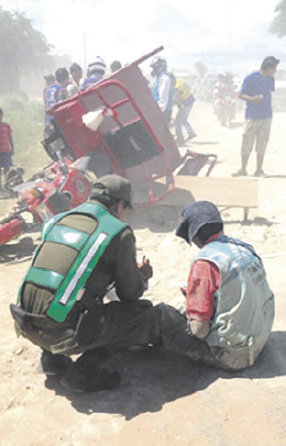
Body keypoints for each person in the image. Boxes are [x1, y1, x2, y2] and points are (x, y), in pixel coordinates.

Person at [10, 174, 160, 393]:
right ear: (119, 205)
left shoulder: (57, 220)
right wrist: (142, 276)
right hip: (58, 331)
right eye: (126, 209)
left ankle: (52, 361)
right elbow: (130, 294)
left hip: (25, 322)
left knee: (61, 291)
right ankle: (84, 374)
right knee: (142, 315)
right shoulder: (118, 232)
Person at [157, 200, 274, 371]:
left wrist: (192, 312)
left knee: (163, 313)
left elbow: (199, 331)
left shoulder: (205, 263)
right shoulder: (243, 247)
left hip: (232, 355)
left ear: (194, 234)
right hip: (259, 340)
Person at [233, 56, 280, 177]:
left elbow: (269, 93)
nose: (275, 71)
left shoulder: (271, 79)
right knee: (247, 142)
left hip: (266, 116)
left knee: (262, 143)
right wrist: (252, 99)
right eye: (273, 69)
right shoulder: (251, 78)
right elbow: (240, 95)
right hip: (252, 116)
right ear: (267, 68)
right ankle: (243, 169)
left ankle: (259, 170)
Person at [172, 75, 196, 144]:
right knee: (183, 119)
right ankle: (191, 132)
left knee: (177, 121)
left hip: (184, 104)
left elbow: (175, 100)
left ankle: (180, 138)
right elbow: (189, 88)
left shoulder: (176, 88)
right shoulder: (180, 81)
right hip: (190, 100)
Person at [150, 56, 173, 124]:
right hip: (161, 110)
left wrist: (158, 112)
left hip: (163, 111)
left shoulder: (164, 78)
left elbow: (163, 96)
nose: (153, 70)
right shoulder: (159, 78)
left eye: (154, 68)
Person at [0, 108, 14, 189]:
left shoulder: (6, 126)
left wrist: (12, 148)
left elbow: (10, 138)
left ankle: (8, 184)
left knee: (6, 168)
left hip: (6, 151)